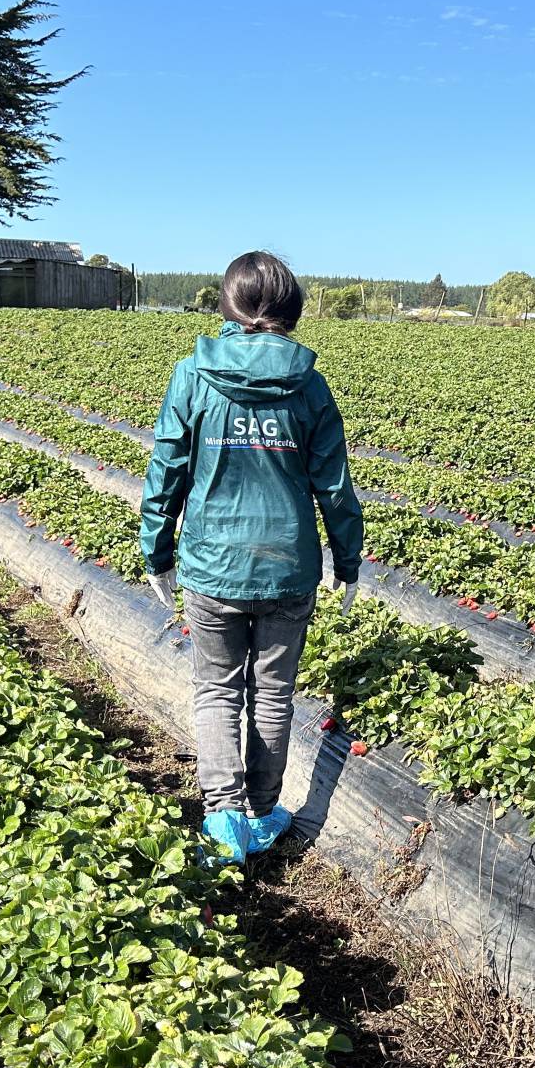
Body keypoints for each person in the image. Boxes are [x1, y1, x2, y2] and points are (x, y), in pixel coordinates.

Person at [139, 251, 365, 864]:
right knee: (272, 692)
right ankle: (264, 814)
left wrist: (157, 552)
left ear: (227, 307)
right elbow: (334, 485)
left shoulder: (192, 376)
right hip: (288, 567)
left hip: (212, 566)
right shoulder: (309, 385)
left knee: (215, 689)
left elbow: (167, 472)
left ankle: (224, 818)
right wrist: (348, 559)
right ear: (291, 311)